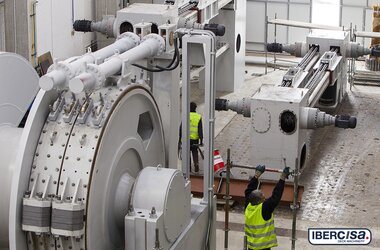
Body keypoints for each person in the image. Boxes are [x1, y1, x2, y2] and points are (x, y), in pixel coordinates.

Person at [244, 165, 290, 250]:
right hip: (263, 247)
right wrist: (282, 178)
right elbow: (276, 196)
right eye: (263, 198)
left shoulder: (249, 205)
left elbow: (249, 190)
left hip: (251, 246)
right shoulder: (264, 209)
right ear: (259, 201)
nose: (265, 198)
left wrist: (256, 176)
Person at [178, 102, 203, 173]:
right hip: (195, 139)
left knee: (187, 153)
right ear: (195, 108)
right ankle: (196, 164)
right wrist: (201, 140)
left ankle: (189, 168)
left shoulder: (186, 116)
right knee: (195, 152)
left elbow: (181, 128)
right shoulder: (198, 117)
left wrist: (180, 139)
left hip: (186, 139)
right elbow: (200, 129)